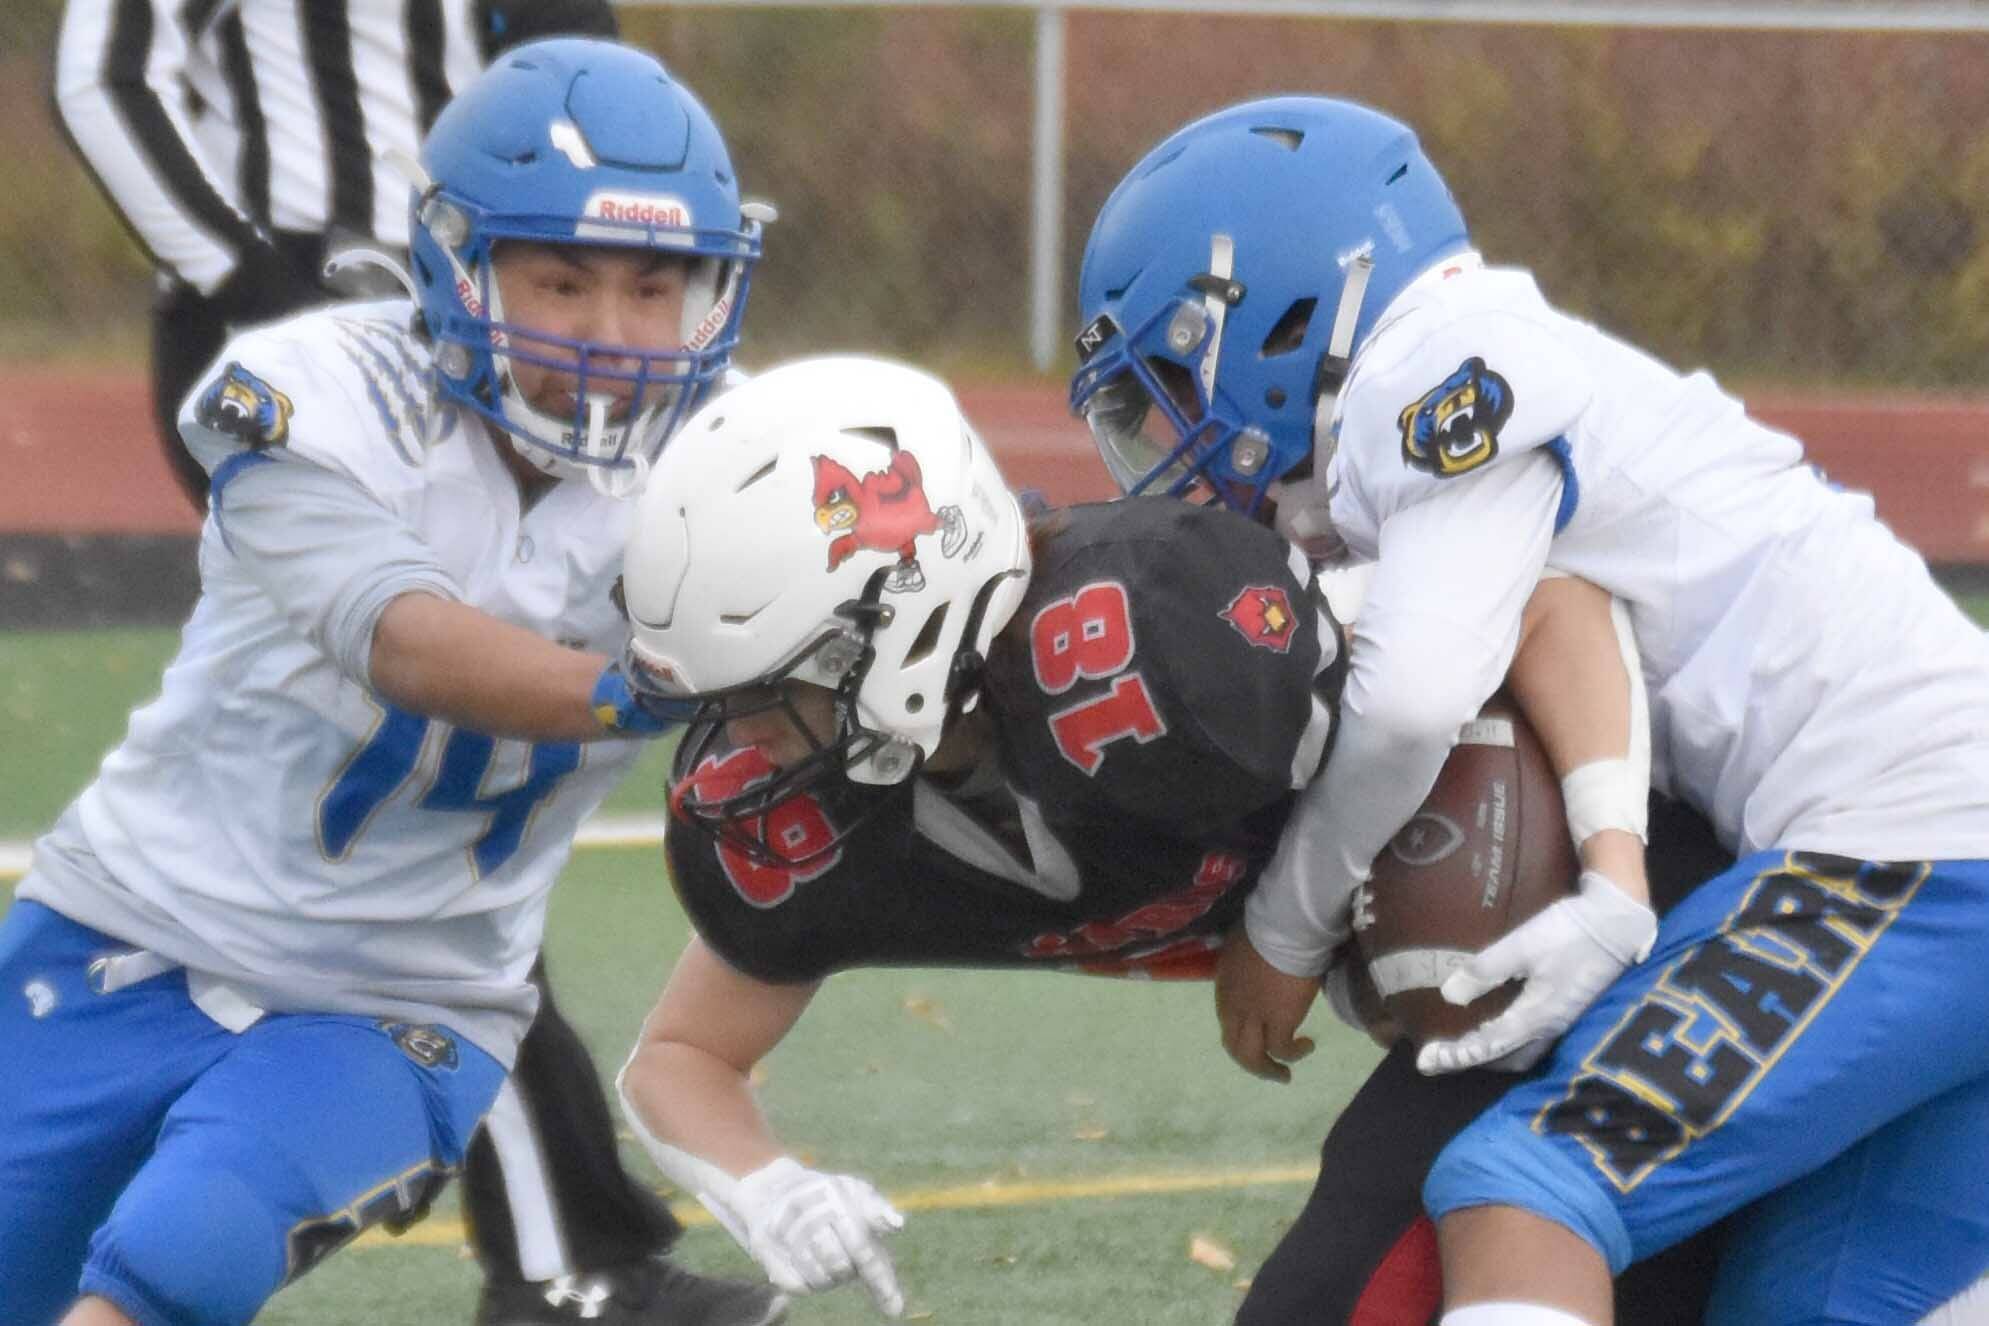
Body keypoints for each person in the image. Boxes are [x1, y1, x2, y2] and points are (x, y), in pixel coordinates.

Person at [1069, 95, 1989, 1324]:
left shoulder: (1438, 365)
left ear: (1282, 310)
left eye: (1176, 378)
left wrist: (1283, 935)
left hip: (1918, 856)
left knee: (1524, 1185)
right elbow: (1548, 611)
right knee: (1812, 1302)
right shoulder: (1488, 362)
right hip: (1934, 849)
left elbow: (1412, 698)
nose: (1172, 434)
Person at [603, 354, 1729, 1320]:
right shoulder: (819, 825)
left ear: (896, 628)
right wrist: (768, 1190)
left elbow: (1546, 598)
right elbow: (681, 1056)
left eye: (764, 693)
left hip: (1638, 900)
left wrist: (1610, 865)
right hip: (1469, 1015)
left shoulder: (1158, 638)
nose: (738, 745)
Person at [0, 38, 784, 1326]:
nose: (612, 335)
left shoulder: (736, 452)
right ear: (457, 269)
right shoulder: (324, 391)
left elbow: (915, 560)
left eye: (657, 287)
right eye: (562, 281)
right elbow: (404, 639)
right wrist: (635, 689)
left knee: (184, 1246)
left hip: (398, 999)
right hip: (122, 928)